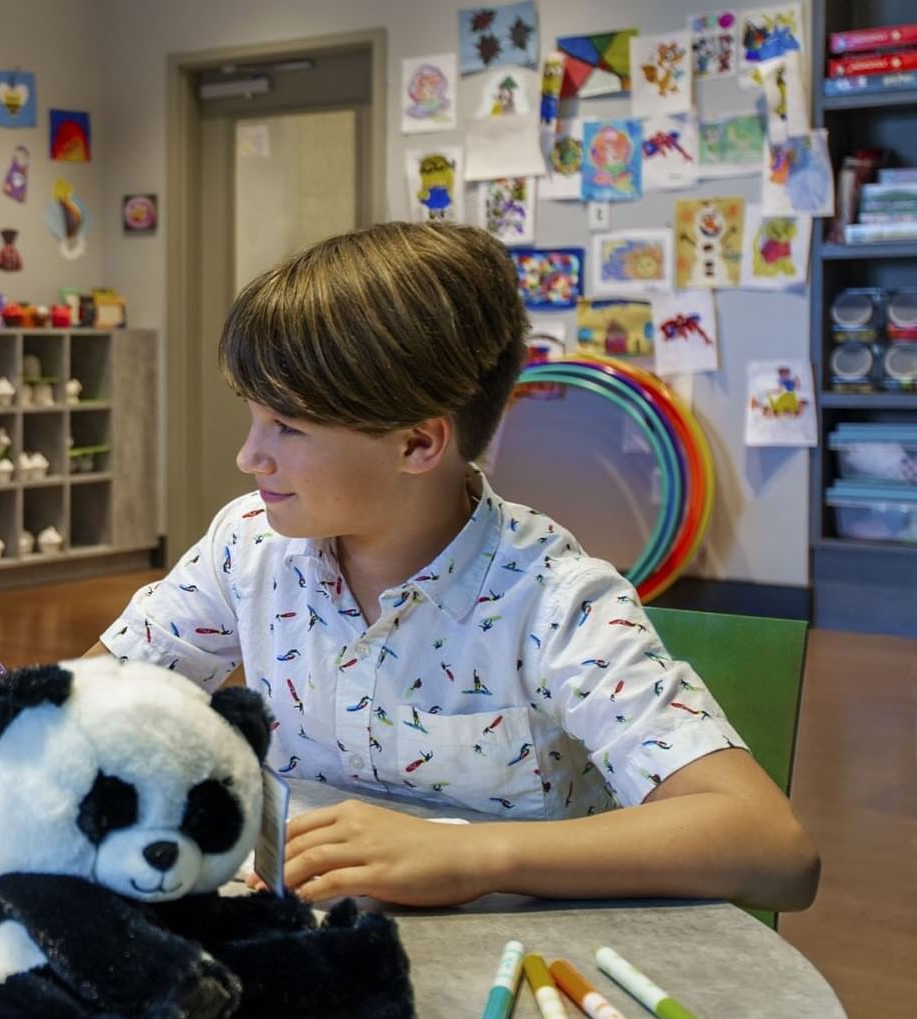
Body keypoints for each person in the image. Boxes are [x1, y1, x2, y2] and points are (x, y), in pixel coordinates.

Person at [87, 223, 819, 912]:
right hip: (311, 951)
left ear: (417, 445)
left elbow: (773, 849)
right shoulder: (247, 544)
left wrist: (473, 854)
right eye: (253, 416)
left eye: (287, 425)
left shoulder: (555, 600)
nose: (250, 456)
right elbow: (91, 694)